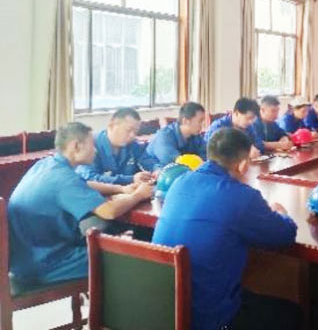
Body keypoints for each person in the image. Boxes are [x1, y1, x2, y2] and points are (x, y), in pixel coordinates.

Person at [152, 128, 299, 330]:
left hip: (164, 311)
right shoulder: (242, 196)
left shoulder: (179, 182)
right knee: (292, 313)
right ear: (243, 165)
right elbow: (285, 235)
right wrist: (282, 214)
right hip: (209, 318)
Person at [9, 122, 154, 287]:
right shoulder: (63, 179)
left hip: (24, 259)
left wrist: (122, 189)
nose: (95, 150)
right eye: (92, 145)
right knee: (132, 257)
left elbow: (83, 184)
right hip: (46, 264)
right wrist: (138, 195)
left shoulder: (46, 165)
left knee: (112, 242)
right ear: (76, 146)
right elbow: (108, 211)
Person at [77, 107, 160, 185]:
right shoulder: (90, 146)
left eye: (135, 132)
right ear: (111, 126)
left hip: (129, 192)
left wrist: (157, 170)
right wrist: (130, 179)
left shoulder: (133, 145)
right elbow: (90, 179)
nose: (132, 135)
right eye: (128, 130)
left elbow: (147, 159)